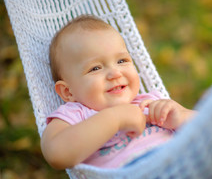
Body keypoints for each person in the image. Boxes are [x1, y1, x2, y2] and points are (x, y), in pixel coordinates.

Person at [41, 15, 195, 170]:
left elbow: (207, 129)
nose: (115, 73)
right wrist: (116, 118)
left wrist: (181, 116)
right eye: (95, 68)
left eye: (122, 61)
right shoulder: (76, 115)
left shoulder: (151, 101)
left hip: (182, 163)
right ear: (68, 92)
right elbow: (56, 154)